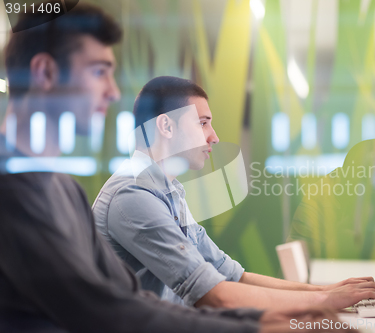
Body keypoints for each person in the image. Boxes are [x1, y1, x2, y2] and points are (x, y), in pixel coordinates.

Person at [0, 3, 354, 332]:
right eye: (99, 71)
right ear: (44, 71)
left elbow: (132, 298)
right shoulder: (19, 190)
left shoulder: (65, 189)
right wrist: (271, 323)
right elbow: (103, 308)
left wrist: (290, 313)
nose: (110, 92)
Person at [92, 76, 375, 310]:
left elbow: (231, 274)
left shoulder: (169, 191)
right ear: (166, 126)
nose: (214, 136)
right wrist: (324, 302)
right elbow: (212, 295)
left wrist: (327, 291)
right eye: (202, 123)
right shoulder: (133, 195)